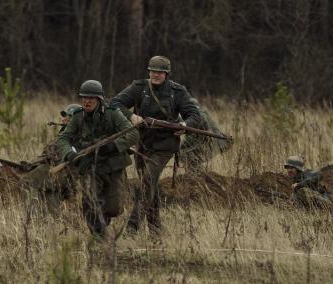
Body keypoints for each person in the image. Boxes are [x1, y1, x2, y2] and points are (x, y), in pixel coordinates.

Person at [110, 55, 200, 235]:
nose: (156, 75)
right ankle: (156, 228)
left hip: (165, 144)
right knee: (150, 185)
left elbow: (194, 115)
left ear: (167, 74)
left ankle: (132, 227)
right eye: (153, 71)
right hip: (142, 143)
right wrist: (131, 116)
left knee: (147, 181)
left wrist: (184, 125)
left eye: (160, 72)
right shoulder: (139, 87)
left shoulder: (178, 92)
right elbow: (115, 104)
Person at [57, 80, 139, 237]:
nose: (87, 101)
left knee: (114, 208)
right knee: (90, 202)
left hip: (113, 165)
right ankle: (98, 236)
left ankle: (102, 223)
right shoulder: (78, 117)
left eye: (91, 98)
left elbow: (133, 134)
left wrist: (113, 146)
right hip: (90, 166)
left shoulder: (113, 113)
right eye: (84, 98)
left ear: (99, 99)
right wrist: (69, 153)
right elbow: (63, 138)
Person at [20, 104, 81, 217]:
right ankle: (50, 221)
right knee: (50, 194)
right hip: (59, 173)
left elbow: (67, 157)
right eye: (64, 116)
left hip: (64, 173)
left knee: (27, 182)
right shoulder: (65, 132)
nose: (63, 118)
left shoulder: (77, 135)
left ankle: (33, 217)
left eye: (67, 116)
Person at [180, 98, 232, 175]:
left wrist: (179, 146)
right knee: (188, 154)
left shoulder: (198, 117)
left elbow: (191, 138)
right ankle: (195, 174)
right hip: (216, 143)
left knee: (184, 154)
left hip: (212, 143)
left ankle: (198, 175)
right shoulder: (202, 114)